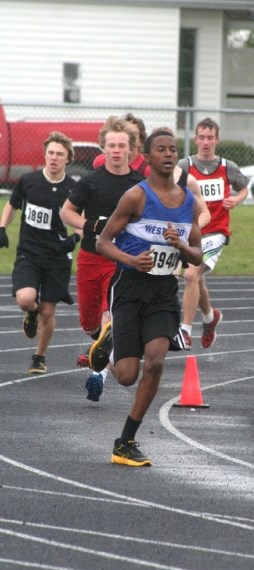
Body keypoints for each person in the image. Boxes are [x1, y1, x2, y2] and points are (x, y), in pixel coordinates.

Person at [91, 128, 202, 466]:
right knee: (126, 376)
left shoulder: (189, 202)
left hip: (163, 290)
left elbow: (198, 256)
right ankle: (109, 340)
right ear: (149, 157)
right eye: (161, 150)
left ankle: (125, 442)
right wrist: (130, 259)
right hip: (129, 286)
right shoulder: (135, 197)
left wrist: (181, 246)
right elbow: (102, 242)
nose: (168, 155)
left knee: (155, 361)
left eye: (173, 150)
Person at [60, 116, 144, 401]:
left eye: (122, 145)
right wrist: (89, 225)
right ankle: (99, 345)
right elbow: (66, 212)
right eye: (112, 145)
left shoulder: (140, 184)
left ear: (131, 149)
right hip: (90, 257)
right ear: (103, 149)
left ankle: (98, 375)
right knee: (89, 323)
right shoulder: (91, 181)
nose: (117, 150)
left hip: (121, 260)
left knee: (111, 315)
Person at [0, 131, 79, 374]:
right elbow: (12, 205)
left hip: (57, 257)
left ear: (68, 159)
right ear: (45, 155)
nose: (54, 158)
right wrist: (2, 227)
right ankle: (30, 313)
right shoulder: (29, 180)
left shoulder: (73, 188)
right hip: (29, 252)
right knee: (25, 299)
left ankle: (39, 356)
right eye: (51, 153)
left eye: (60, 154)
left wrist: (74, 238)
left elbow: (81, 220)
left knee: (49, 310)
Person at [177, 117, 249, 349]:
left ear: (217, 140)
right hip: (191, 231)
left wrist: (236, 199)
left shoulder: (228, 167)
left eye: (210, 138)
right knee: (196, 278)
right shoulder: (184, 166)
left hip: (216, 231)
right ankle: (209, 317)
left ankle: (184, 331)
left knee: (190, 275)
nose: (206, 142)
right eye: (201, 137)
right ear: (195, 139)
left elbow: (244, 187)